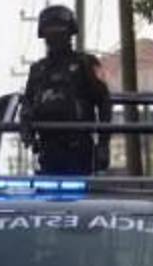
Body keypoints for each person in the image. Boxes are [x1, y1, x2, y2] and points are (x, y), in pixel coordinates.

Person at [22, 4, 113, 175]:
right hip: (47, 147)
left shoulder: (86, 63)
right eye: (50, 32)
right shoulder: (38, 70)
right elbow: (27, 103)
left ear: (70, 33)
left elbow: (104, 103)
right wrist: (26, 128)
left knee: (82, 188)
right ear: (44, 35)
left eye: (60, 31)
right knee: (46, 189)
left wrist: (103, 144)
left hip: (80, 147)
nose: (55, 37)